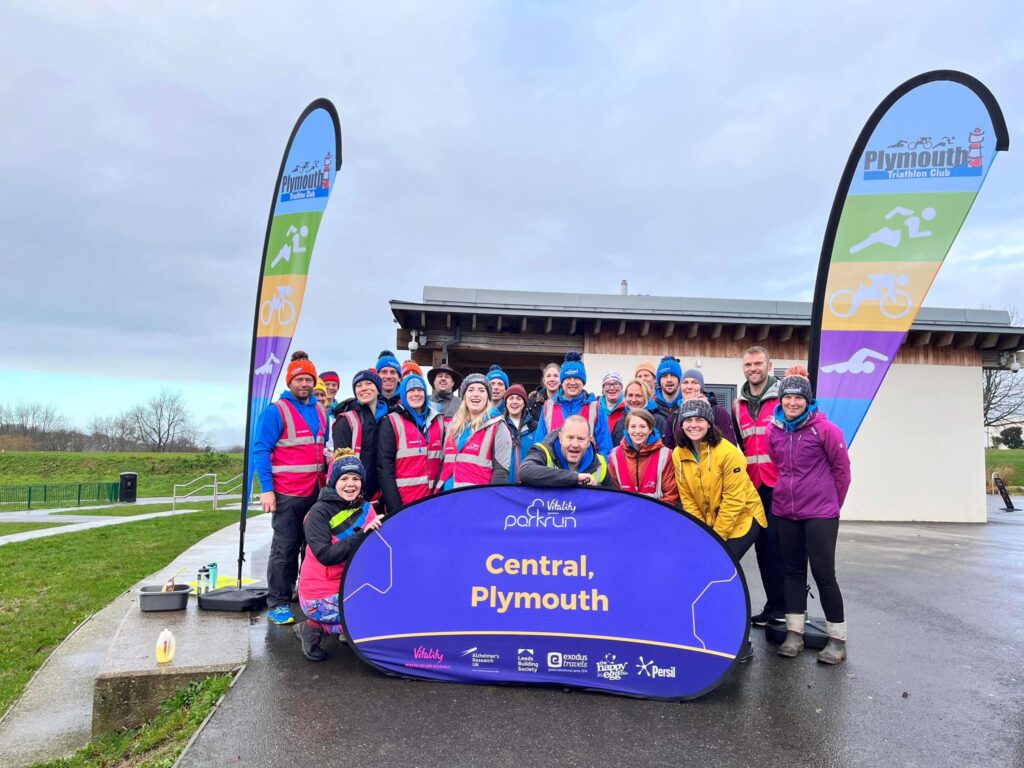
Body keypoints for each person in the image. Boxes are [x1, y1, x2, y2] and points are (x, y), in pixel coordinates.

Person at [768, 374, 851, 665]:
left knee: (824, 574)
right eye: (787, 397)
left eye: (798, 398)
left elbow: (842, 472)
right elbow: (777, 463)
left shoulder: (826, 430)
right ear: (781, 400)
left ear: (808, 401)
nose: (792, 403)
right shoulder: (774, 430)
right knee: (792, 572)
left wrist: (832, 505)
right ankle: (794, 634)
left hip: (820, 513)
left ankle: (837, 639)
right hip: (785, 511)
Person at [252, 350, 328, 626]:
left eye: (309, 379)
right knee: (284, 549)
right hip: (286, 493)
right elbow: (261, 450)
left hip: (316, 493)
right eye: (299, 380)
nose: (304, 384)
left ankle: (305, 594)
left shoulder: (320, 411)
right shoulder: (276, 411)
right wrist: (267, 489)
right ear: (290, 382)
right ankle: (278, 602)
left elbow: (323, 449)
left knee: (311, 548)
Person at [296, 449, 383, 661]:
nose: (350, 484)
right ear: (333, 481)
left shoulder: (365, 507)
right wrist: (362, 535)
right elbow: (326, 555)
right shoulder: (318, 513)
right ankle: (314, 627)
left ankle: (346, 628)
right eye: (344, 478)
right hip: (319, 595)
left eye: (356, 478)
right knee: (374, 615)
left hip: (349, 585)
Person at [731, 346, 785, 627]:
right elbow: (742, 444)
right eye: (748, 364)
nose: (753, 369)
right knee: (763, 549)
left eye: (758, 363)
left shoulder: (783, 397)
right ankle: (773, 606)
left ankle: (785, 609)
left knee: (780, 548)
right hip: (753, 487)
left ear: (769, 365)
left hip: (780, 485)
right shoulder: (737, 405)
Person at [672, 399, 766, 557]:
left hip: (743, 517)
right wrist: (702, 533)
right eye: (688, 420)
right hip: (711, 520)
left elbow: (734, 500)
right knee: (701, 560)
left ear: (709, 424)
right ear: (681, 425)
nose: (693, 425)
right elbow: (688, 499)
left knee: (721, 561)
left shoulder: (729, 453)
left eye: (699, 420)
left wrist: (716, 537)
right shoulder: (678, 454)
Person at [377, 373, 445, 512]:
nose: (416, 394)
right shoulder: (391, 422)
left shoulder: (438, 420)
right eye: (411, 391)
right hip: (405, 504)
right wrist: (395, 507)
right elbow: (385, 468)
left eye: (420, 390)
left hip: (434, 502)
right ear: (404, 394)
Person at [437, 373, 512, 489]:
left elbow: (501, 472)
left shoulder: (498, 426)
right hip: (448, 495)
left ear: (487, 397)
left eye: (481, 390)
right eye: (471, 390)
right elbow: (443, 464)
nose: (476, 394)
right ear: (464, 396)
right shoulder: (453, 425)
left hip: (476, 497)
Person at [532, 353, 612, 456]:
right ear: (562, 381)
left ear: (583, 381)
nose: (572, 382)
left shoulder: (595, 408)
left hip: (587, 466)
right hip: (555, 466)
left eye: (577, 378)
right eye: (568, 378)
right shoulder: (549, 407)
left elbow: (606, 448)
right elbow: (539, 446)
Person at [332, 369, 389, 505]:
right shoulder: (346, 421)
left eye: (368, 383)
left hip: (383, 494)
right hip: (356, 495)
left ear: (378, 389)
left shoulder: (388, 418)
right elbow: (340, 464)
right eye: (359, 385)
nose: (363, 388)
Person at [520, 415, 613, 488]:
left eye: (581, 439)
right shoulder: (544, 451)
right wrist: (575, 478)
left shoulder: (600, 464)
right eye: (570, 438)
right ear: (560, 438)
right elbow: (525, 472)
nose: (575, 444)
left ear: (589, 441)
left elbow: (611, 500)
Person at [608, 409, 678, 504]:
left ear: (650, 429)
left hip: (656, 511)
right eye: (633, 426)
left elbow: (671, 494)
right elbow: (613, 493)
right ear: (627, 429)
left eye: (642, 426)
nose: (637, 431)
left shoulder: (665, 455)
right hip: (625, 510)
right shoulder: (615, 455)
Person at [678, 368, 737, 444]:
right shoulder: (675, 415)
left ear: (701, 388)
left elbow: (730, 445)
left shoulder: (718, 412)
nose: (689, 387)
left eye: (694, 382)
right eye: (685, 382)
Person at [611, 379, 668, 445]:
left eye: (638, 396)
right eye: (630, 395)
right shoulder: (620, 422)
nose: (633, 400)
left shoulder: (659, 420)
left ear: (646, 397)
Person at [502, 384, 537, 483]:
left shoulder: (534, 428)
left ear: (524, 403)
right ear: (506, 403)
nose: (514, 402)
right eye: (511, 398)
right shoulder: (499, 426)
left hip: (527, 485)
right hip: (502, 485)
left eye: (519, 398)